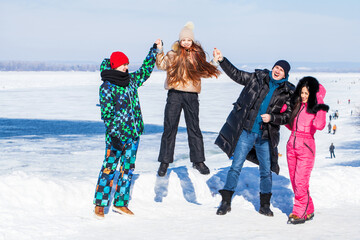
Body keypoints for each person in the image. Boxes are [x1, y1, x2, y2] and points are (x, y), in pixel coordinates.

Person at [212, 49, 294, 217]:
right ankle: (226, 202)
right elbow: (237, 75)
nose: (277, 71)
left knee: (265, 171)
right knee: (236, 166)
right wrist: (222, 60)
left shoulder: (287, 92)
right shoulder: (258, 78)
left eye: (281, 70)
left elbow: (287, 116)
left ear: (285, 74)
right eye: (276, 67)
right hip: (247, 131)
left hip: (265, 136)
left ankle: (265, 205)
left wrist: (272, 117)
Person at [93, 39, 162, 218]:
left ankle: (120, 203)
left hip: (133, 134)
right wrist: (114, 135)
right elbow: (107, 115)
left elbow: (145, 71)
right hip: (116, 136)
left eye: (127, 64)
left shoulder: (130, 81)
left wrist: (154, 50)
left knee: (128, 169)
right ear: (115, 66)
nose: (126, 67)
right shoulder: (107, 87)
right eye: (124, 64)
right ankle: (100, 204)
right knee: (109, 168)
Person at [156, 22, 221, 177]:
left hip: (191, 95)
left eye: (189, 40)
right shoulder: (173, 54)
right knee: (170, 128)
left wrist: (215, 61)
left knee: (194, 128)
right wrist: (160, 50)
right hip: (175, 94)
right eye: (183, 40)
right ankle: (164, 162)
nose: (186, 42)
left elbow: (205, 72)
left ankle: (198, 161)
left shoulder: (197, 56)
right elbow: (161, 65)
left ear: (192, 41)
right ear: (180, 41)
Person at [286, 76, 329, 224]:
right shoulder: (298, 105)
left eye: (307, 93)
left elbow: (320, 125)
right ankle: (308, 209)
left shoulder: (315, 108)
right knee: (295, 181)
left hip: (306, 147)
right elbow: (291, 126)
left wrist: (320, 100)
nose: (303, 96)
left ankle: (299, 213)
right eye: (302, 93)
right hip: (291, 145)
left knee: (300, 182)